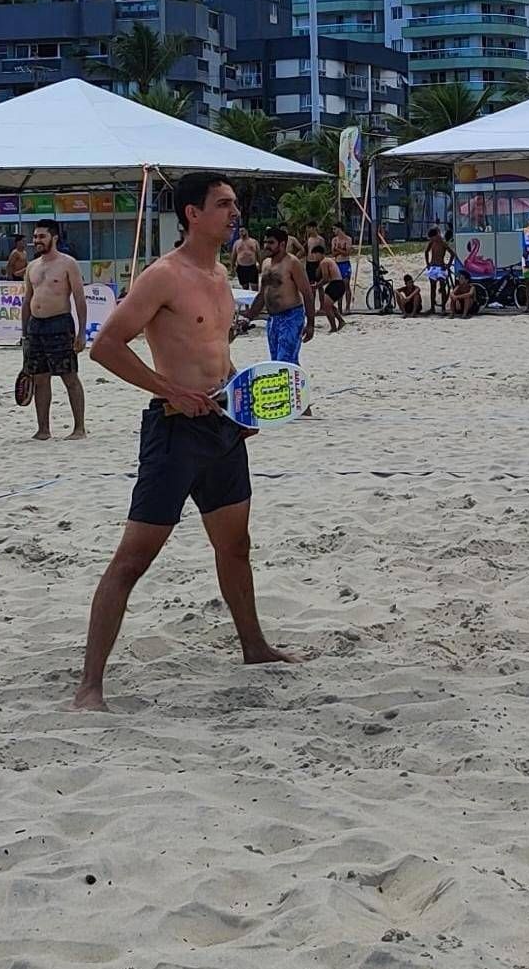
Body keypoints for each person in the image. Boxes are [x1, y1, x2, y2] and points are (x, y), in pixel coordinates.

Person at [72, 173, 303, 711]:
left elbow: (216, 354)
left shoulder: (221, 275)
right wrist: (168, 388)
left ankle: (254, 647)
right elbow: (106, 346)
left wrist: (244, 404)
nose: (234, 212)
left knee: (235, 546)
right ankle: (89, 688)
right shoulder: (163, 276)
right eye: (222, 204)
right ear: (192, 214)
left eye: (234, 203)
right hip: (175, 430)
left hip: (222, 427)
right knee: (133, 559)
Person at [22, 220, 88, 440]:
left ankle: (79, 428)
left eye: (42, 236)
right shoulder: (32, 266)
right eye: (35, 237)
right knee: (40, 378)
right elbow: (27, 300)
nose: (37, 241)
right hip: (36, 326)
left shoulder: (68, 264)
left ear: (54, 237)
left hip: (59, 324)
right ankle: (43, 430)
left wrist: (81, 332)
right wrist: (24, 333)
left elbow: (79, 298)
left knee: (69, 377)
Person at [243, 226, 315, 362]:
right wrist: (249, 317)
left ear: (282, 244)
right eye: (265, 242)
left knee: (285, 360)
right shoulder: (266, 264)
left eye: (271, 242)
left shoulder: (292, 263)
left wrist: (310, 323)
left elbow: (307, 293)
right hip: (272, 319)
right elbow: (262, 294)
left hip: (291, 317)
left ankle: (292, 376)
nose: (266, 246)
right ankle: (293, 377)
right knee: (276, 361)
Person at [312, 244, 346, 331]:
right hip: (336, 284)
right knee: (328, 305)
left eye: (315, 255)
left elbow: (325, 278)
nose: (314, 257)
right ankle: (341, 321)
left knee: (326, 307)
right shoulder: (327, 261)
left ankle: (333, 327)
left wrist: (316, 286)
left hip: (336, 285)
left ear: (319, 253)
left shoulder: (324, 262)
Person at [425, 226, 454, 315]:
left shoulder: (443, 243)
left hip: (441, 267)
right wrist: (428, 263)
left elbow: (452, 254)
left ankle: (443, 308)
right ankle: (432, 308)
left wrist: (448, 265)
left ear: (436, 235)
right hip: (433, 267)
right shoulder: (432, 242)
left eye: (433, 237)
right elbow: (426, 252)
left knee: (442, 286)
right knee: (432, 288)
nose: (432, 239)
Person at [331, 221, 354, 313]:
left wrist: (337, 249)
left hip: (345, 263)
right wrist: (341, 250)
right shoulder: (334, 240)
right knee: (339, 286)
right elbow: (333, 253)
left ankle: (347, 307)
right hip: (337, 263)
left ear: (339, 229)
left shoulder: (348, 239)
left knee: (346, 285)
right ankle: (340, 308)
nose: (333, 231)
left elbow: (347, 253)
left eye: (334, 229)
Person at [231, 226, 260, 290]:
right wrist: (232, 267)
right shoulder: (236, 243)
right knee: (244, 288)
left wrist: (260, 264)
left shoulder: (254, 242)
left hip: (252, 267)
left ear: (247, 231)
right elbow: (233, 255)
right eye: (239, 231)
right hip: (241, 267)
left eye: (242, 231)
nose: (241, 233)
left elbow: (258, 254)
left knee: (255, 288)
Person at [305, 221, 326, 292]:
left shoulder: (320, 239)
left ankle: (322, 299)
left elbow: (323, 253)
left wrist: (320, 265)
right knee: (311, 284)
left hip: (317, 263)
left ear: (314, 228)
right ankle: (312, 299)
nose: (308, 230)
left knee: (319, 285)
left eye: (309, 228)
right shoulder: (309, 239)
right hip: (309, 263)